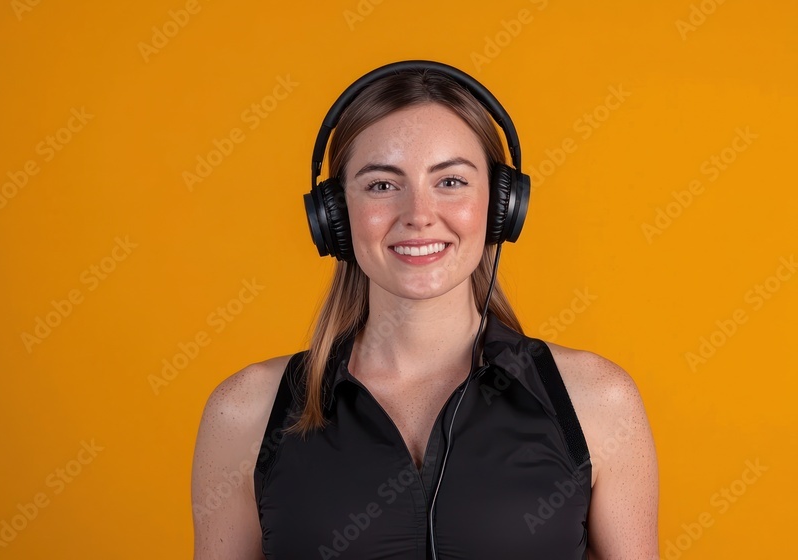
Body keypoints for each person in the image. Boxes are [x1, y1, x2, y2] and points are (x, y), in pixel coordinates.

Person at [191, 61, 658, 559]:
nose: (418, 215)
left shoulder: (597, 403)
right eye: (382, 185)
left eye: (451, 181)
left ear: (502, 206)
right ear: (334, 216)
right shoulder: (245, 413)